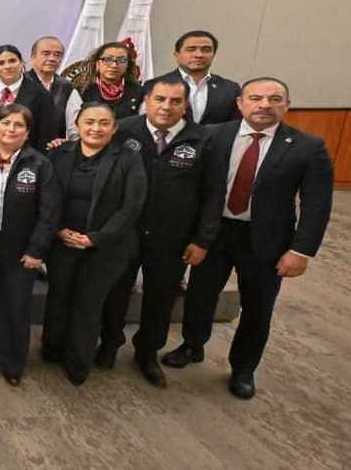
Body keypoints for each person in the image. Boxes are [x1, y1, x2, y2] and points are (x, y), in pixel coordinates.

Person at [163, 77, 333, 400]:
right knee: (201, 294)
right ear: (240, 103)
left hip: (267, 241)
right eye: (255, 98)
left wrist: (300, 251)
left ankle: (243, 368)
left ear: (287, 105)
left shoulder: (308, 148)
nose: (264, 105)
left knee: (257, 306)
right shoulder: (212, 136)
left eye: (274, 99)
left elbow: (317, 205)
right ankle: (192, 344)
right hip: (213, 234)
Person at [98, 78, 222, 387]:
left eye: (175, 101)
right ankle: (109, 344)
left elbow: (213, 194)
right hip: (123, 233)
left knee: (160, 298)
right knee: (114, 292)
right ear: (146, 100)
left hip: (173, 237)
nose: (167, 107)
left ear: (185, 105)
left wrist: (202, 239)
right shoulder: (123, 129)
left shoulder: (203, 139)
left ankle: (147, 353)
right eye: (160, 99)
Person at [42, 103, 146, 386]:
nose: (95, 128)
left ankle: (77, 363)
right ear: (77, 124)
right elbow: (47, 196)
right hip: (62, 241)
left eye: (103, 123)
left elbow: (131, 206)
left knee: (87, 306)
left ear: (114, 128)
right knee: (59, 298)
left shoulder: (128, 158)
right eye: (89, 122)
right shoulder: (59, 153)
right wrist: (59, 229)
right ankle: (52, 351)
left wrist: (94, 238)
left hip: (105, 247)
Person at [0, 104, 59, 386]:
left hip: (21, 249)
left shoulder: (40, 164)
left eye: (18, 125)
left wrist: (37, 250)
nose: (11, 129)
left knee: (15, 305)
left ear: (28, 132)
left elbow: (50, 212)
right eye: (5, 123)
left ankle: (11, 361)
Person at [152, 30, 241, 125]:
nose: (199, 55)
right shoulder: (155, 85)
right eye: (191, 49)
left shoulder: (230, 89)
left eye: (206, 50)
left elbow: (234, 126)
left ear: (213, 55)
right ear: (176, 55)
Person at [0, 44, 58, 149]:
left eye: (12, 61)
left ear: (21, 63)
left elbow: (45, 136)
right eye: (1, 63)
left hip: (25, 157)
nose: (7, 66)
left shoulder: (41, 95)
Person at [64, 41, 145, 138]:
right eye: (108, 59)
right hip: (89, 146)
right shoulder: (82, 90)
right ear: (98, 64)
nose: (114, 65)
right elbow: (73, 130)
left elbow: (143, 125)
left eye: (121, 60)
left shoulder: (139, 91)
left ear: (128, 65)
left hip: (128, 147)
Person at [26, 36, 74, 123]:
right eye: (46, 54)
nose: (52, 59)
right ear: (32, 57)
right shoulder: (21, 82)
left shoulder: (66, 86)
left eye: (57, 55)